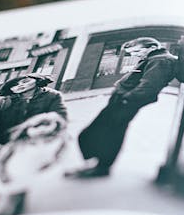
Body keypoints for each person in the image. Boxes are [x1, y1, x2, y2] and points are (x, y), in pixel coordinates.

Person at [73, 37, 178, 178]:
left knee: (108, 134)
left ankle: (101, 167)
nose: (134, 55)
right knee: (103, 133)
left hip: (125, 102)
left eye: (136, 51)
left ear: (152, 47)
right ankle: (98, 165)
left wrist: (126, 99)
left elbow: (148, 87)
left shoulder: (160, 60)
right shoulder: (154, 58)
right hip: (121, 100)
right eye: (131, 53)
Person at [0, 73, 68, 188]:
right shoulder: (3, 103)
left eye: (24, 81)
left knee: (26, 171)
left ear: (37, 81)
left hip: (38, 140)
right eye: (15, 84)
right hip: (6, 141)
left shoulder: (52, 96)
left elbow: (60, 118)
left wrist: (44, 129)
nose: (20, 86)